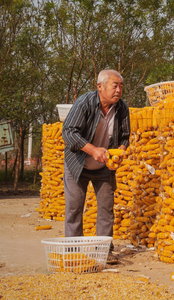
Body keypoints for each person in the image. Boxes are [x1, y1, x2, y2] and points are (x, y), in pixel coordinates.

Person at [62, 69, 130, 264]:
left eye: (121, 86)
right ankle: (73, 252)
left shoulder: (122, 108)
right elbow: (68, 132)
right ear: (99, 87)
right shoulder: (85, 103)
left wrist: (121, 152)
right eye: (114, 85)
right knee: (74, 209)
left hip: (104, 168)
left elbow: (125, 137)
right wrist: (93, 151)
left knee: (107, 210)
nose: (118, 90)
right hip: (78, 164)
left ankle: (104, 251)